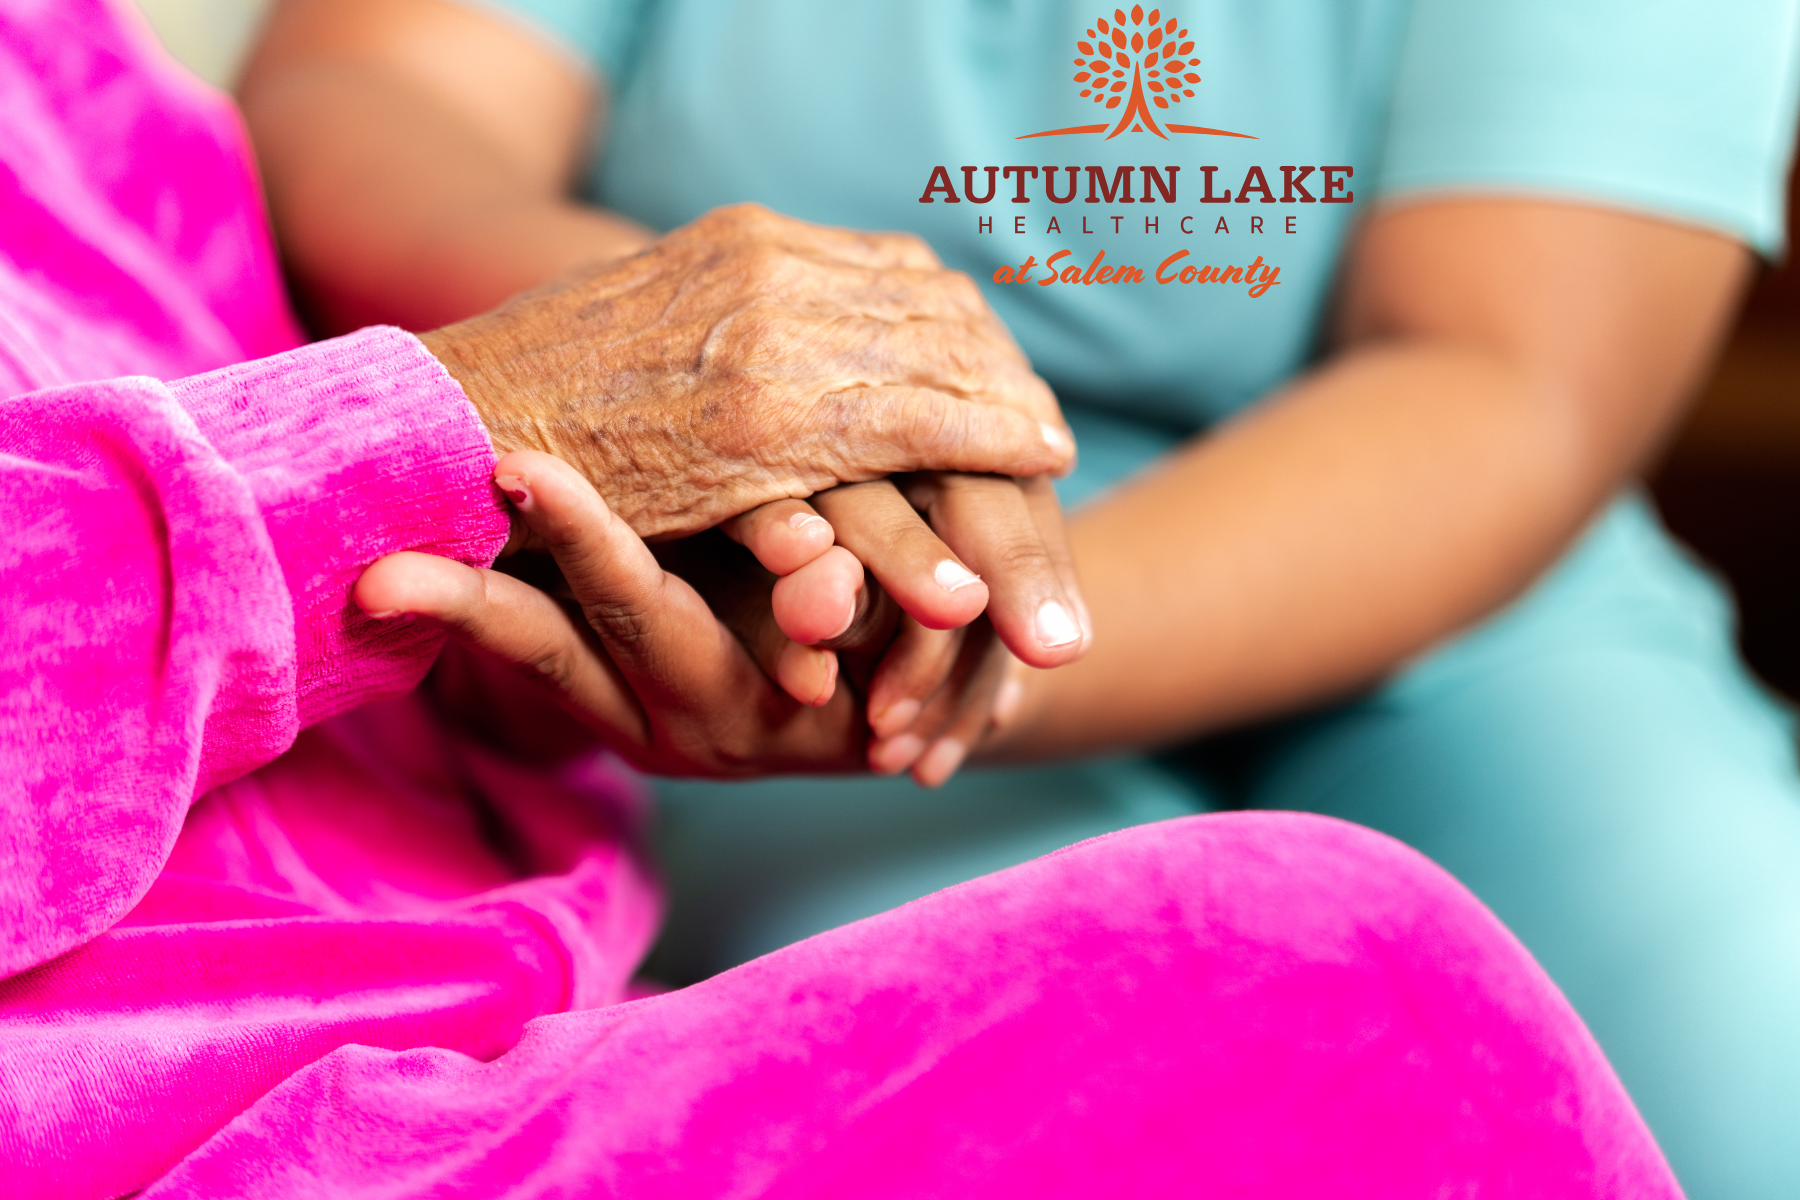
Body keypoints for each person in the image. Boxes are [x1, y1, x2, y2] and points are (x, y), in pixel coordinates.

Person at [0, 2, 1685, 1195]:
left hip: (1436, 554)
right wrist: (633, 386)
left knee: (1728, 1070)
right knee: (1266, 1029)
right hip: (733, 546)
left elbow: (1504, 377)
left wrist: (978, 635)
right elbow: (383, 98)